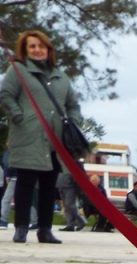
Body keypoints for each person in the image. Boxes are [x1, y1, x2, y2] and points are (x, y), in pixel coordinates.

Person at [0, 30, 82, 244]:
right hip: (28, 136)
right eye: (32, 46)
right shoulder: (17, 70)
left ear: (48, 49)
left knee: (48, 185)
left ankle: (45, 229)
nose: (37, 50)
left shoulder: (60, 76)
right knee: (25, 184)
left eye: (41, 46)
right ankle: (21, 228)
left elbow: (73, 104)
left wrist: (73, 122)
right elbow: (6, 95)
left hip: (56, 141)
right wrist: (20, 116)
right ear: (25, 50)